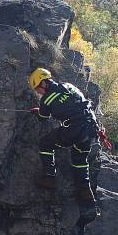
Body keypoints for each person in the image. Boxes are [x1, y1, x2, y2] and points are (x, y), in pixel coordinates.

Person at [28, 68, 99, 223]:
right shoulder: (69, 86)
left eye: (38, 89)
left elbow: (42, 117)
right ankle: (85, 190)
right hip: (91, 128)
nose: (38, 93)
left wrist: (37, 111)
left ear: (44, 83)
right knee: (79, 159)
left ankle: (50, 177)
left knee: (45, 144)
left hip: (74, 129)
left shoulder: (46, 99)